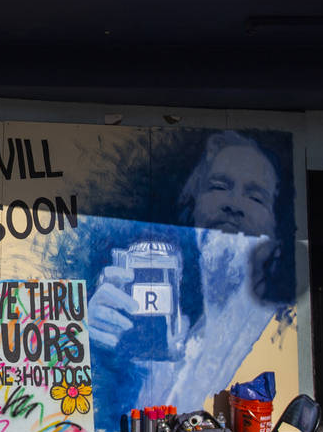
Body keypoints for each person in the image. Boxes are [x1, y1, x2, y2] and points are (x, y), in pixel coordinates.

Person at [88, 130, 285, 417]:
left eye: (255, 197)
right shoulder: (184, 323)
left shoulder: (273, 325)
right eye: (219, 187)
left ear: (276, 224)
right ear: (194, 206)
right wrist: (93, 350)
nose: (233, 203)